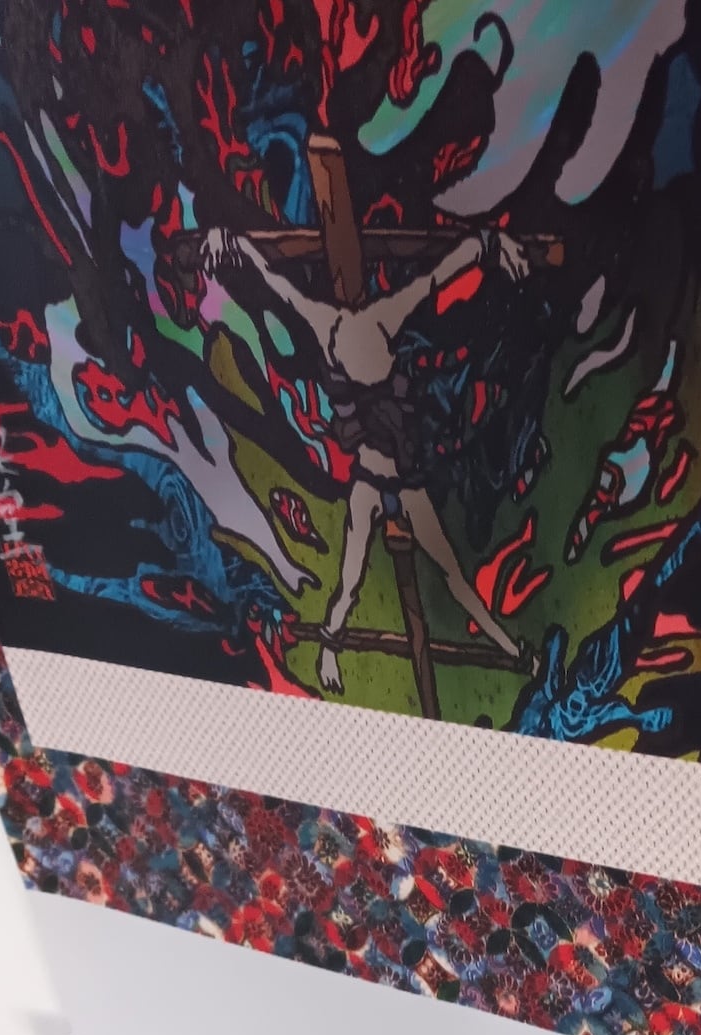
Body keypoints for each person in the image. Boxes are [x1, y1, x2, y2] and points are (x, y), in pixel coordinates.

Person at [199, 223, 527, 694]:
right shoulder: (323, 322)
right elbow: (271, 277)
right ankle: (328, 651)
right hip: (369, 481)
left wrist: (493, 242)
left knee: (451, 573)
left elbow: (441, 273)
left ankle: (509, 648)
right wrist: (227, 239)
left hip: (406, 479)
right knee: (350, 578)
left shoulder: (384, 316)